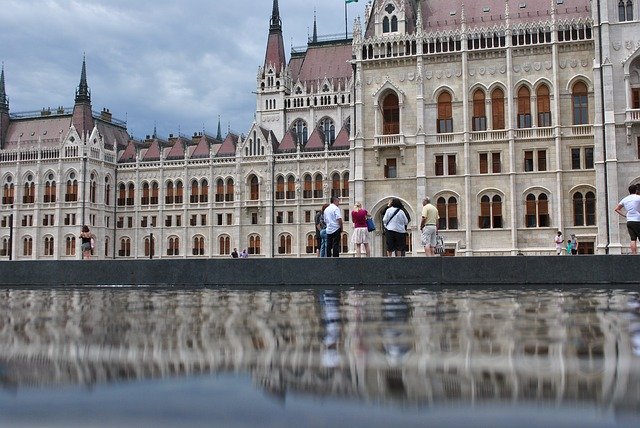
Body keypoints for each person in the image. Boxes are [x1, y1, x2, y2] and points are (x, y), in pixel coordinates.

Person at [614, 184, 640, 254]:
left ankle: (634, 254)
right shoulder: (638, 198)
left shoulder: (625, 199)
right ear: (636, 190)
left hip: (629, 221)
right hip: (638, 220)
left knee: (633, 239)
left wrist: (625, 215)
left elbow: (617, 209)